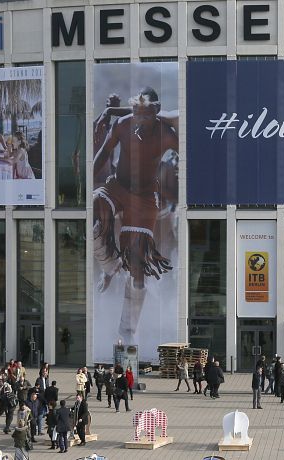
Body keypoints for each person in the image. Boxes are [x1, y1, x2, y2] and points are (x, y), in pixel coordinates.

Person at [92, 87, 178, 343]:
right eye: (136, 113)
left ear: (156, 111)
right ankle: (110, 266)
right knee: (96, 204)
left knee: (138, 271)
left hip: (145, 199)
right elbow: (103, 154)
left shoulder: (167, 135)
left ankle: (127, 331)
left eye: (145, 114)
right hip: (117, 186)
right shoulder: (123, 125)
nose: (139, 120)